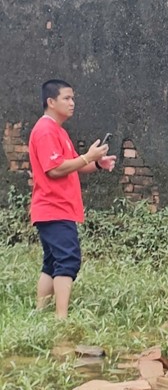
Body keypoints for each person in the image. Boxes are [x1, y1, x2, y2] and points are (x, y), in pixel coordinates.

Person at [28, 79, 116, 320]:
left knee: (52, 262)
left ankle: (40, 314)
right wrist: (88, 157)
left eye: (73, 98)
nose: (72, 103)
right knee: (68, 260)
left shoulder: (59, 131)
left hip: (57, 208)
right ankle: (61, 318)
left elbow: (72, 165)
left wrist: (96, 162)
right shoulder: (45, 130)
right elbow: (54, 169)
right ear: (51, 101)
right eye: (67, 98)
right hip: (53, 207)